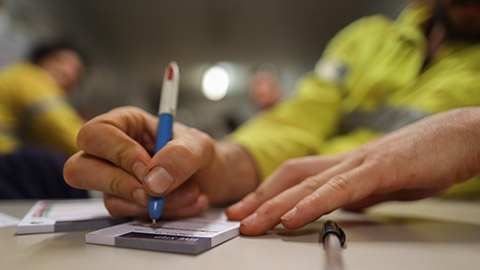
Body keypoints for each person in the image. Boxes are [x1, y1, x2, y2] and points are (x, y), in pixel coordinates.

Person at [64, 0, 480, 235]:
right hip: (338, 219)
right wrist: (226, 164)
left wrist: (470, 132)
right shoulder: (368, 37)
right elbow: (301, 118)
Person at [0, 41, 88, 199]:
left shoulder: (16, 75)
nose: (69, 72)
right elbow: (64, 130)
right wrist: (110, 153)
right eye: (60, 61)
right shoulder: (30, 77)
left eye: (76, 71)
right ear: (39, 60)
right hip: (4, 161)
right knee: (53, 166)